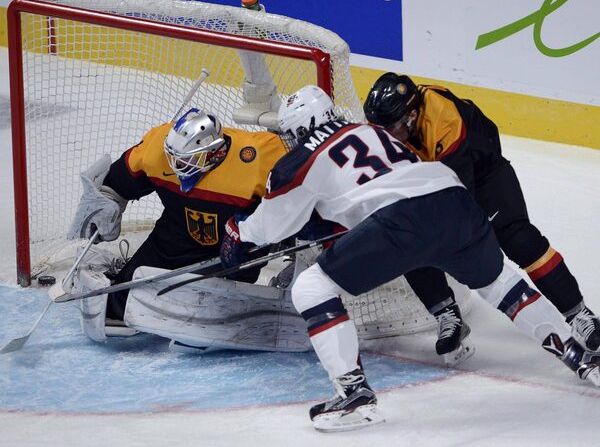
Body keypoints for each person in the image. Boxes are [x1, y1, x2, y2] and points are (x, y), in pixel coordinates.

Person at [219, 85, 600, 432]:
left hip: (402, 221)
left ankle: (354, 395)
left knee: (311, 287)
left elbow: (271, 227)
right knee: (499, 283)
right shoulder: (373, 132)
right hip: (455, 200)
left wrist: (238, 233)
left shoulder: (302, 157)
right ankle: (580, 356)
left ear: (301, 127)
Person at [362, 73, 600, 362]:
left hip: (483, 174)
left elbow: (456, 196)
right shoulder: (387, 126)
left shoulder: (443, 120)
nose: (384, 137)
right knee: (408, 239)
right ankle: (446, 314)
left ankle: (579, 314)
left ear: (412, 116)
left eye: (390, 129)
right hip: (432, 176)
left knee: (518, 240)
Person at [66, 107, 311, 353]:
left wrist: (296, 249)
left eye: (187, 160)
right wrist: (107, 201)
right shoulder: (157, 146)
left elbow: (307, 197)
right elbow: (118, 181)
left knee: (226, 308)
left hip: (238, 242)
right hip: (177, 234)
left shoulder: (263, 156)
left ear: (214, 153)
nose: (177, 165)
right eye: (174, 157)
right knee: (119, 304)